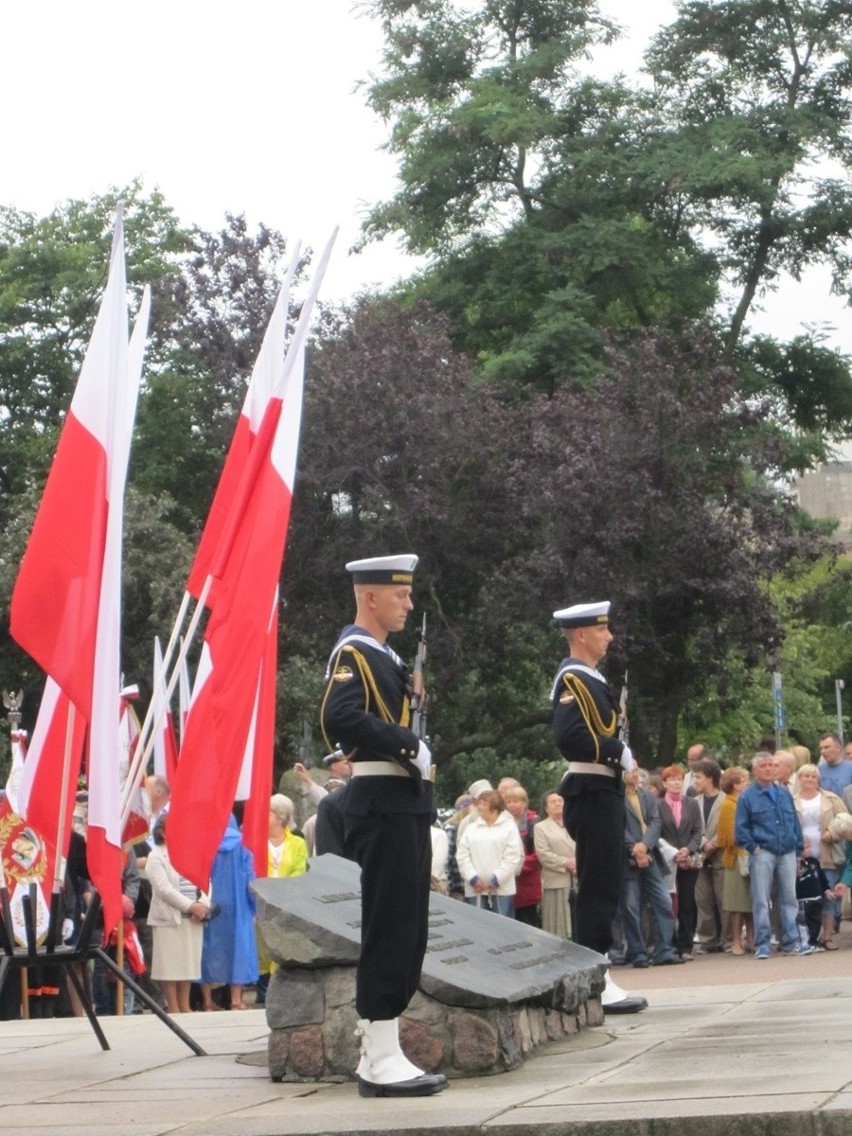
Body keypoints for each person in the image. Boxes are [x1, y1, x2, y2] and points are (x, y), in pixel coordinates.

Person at [319, 554, 446, 1098]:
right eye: (400, 594)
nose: (409, 602)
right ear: (370, 596)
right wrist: (406, 742)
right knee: (389, 925)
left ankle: (387, 1046)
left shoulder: (386, 657)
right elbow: (339, 718)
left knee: (408, 927)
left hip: (405, 802)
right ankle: (377, 1055)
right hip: (381, 800)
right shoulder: (353, 652)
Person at [551, 600, 646, 1014]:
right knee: (597, 885)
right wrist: (615, 753)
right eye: (602, 630)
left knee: (606, 882)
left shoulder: (592, 678)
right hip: (589, 789)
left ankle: (599, 970)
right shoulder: (573, 678)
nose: (609, 637)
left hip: (600, 789)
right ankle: (595, 974)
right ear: (581, 635)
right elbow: (570, 737)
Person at [735, 751, 814, 959]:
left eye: (771, 765)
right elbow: (741, 830)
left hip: (787, 851)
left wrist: (798, 852)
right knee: (761, 899)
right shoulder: (747, 796)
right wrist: (754, 849)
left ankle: (791, 942)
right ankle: (762, 943)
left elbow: (794, 823)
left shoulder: (784, 793)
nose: (769, 769)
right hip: (763, 851)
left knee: (789, 898)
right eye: (764, 766)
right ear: (755, 770)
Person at [620, 761, 684, 968]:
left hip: (650, 856)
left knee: (663, 901)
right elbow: (617, 827)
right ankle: (637, 952)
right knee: (631, 906)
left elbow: (656, 822)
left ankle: (664, 950)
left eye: (637, 769)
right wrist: (634, 849)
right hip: (627, 860)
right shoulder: (614, 798)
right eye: (631, 769)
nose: (635, 773)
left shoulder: (647, 795)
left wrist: (645, 846)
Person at [146, 815, 210, 1013]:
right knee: (170, 965)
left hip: (193, 918)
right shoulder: (156, 856)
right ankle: (173, 1007)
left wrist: (203, 903)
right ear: (163, 833)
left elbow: (206, 881)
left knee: (187, 963)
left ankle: (185, 1005)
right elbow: (164, 889)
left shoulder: (191, 852)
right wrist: (191, 906)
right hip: (170, 918)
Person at [200, 815, 258, 1011]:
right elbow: (250, 880)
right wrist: (254, 906)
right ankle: (236, 1000)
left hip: (210, 903)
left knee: (207, 949)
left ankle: (207, 1001)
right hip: (237, 904)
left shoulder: (205, 843)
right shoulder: (242, 845)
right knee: (238, 949)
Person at [793, 764, 846, 949]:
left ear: (818, 779)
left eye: (813, 776)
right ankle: (806, 937)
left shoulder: (831, 799)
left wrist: (833, 833)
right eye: (805, 776)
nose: (809, 779)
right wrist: (798, 847)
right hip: (803, 857)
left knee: (828, 895)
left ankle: (828, 937)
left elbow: (845, 821)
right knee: (806, 899)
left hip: (827, 853)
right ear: (799, 779)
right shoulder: (792, 801)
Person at [657, 764, 703, 960]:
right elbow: (657, 831)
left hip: (688, 860)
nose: (676, 783)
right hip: (667, 861)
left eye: (679, 779)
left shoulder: (691, 804)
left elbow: (697, 831)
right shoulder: (657, 805)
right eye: (672, 779)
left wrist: (688, 849)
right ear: (664, 783)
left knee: (687, 902)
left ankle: (685, 945)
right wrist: (673, 852)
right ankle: (669, 944)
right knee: (667, 903)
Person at [455, 788, 523, 915]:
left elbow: (513, 856)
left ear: (495, 807)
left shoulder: (509, 827)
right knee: (478, 927)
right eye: (479, 803)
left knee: (503, 928)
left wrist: (497, 879)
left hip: (501, 889)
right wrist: (473, 878)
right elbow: (462, 855)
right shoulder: (471, 828)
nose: (479, 807)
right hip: (476, 889)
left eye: (484, 804)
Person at [715, 766, 753, 955]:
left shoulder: (744, 802)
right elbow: (725, 837)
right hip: (735, 859)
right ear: (736, 785)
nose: (748, 784)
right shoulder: (729, 804)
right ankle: (736, 941)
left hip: (749, 857)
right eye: (745, 781)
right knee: (737, 904)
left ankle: (752, 939)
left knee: (750, 903)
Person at [692, 758, 728, 953]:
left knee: (724, 900)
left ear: (710, 778)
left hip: (721, 856)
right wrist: (704, 842)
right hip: (700, 858)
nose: (694, 781)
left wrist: (715, 842)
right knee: (702, 899)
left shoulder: (726, 800)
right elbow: (691, 828)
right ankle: (708, 939)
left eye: (698, 777)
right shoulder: (694, 802)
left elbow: (730, 826)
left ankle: (728, 939)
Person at [534, 790, 576, 939]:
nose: (558, 803)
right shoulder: (541, 827)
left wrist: (579, 863)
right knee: (558, 926)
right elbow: (543, 854)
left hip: (578, 879)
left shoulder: (574, 822)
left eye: (560, 800)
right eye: (553, 801)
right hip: (556, 880)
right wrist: (566, 863)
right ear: (546, 808)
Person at [502, 785, 542, 925]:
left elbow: (538, 856)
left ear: (525, 803)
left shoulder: (534, 823)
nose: (512, 805)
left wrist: (514, 866)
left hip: (527, 883)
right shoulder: (502, 823)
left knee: (528, 923)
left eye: (516, 801)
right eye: (508, 802)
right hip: (505, 882)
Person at [817, 733, 852, 799]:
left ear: (838, 748)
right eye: (821, 748)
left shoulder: (850, 768)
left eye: (827, 747)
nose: (823, 751)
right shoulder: (818, 770)